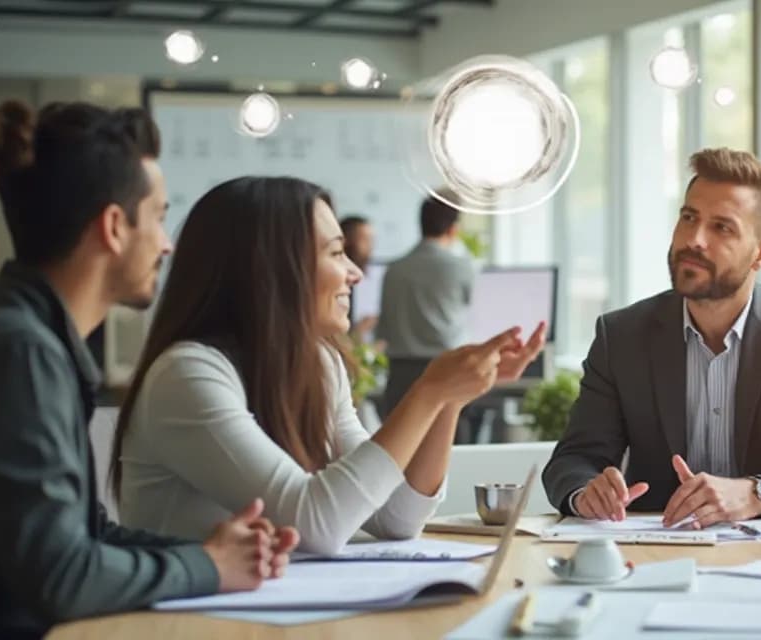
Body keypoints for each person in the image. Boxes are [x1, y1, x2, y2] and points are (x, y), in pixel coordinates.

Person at [0, 101, 297, 640]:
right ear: (114, 227)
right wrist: (209, 566)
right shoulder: (16, 352)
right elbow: (63, 578)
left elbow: (88, 535)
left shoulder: (26, 337)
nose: (167, 243)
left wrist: (215, 553)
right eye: (159, 217)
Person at [111, 177, 543, 554]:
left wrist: (449, 400)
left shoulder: (320, 364)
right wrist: (428, 391)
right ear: (273, 269)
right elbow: (315, 523)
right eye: (337, 253)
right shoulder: (187, 375)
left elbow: (397, 516)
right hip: (186, 613)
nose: (355, 273)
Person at [542, 147, 761, 525]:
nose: (694, 239)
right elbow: (574, 460)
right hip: (658, 545)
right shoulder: (622, 336)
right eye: (688, 217)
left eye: (722, 227)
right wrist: (586, 492)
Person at [375, 194, 476, 423]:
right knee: (449, 442)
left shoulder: (394, 270)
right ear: (453, 229)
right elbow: (477, 314)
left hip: (400, 375)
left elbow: (384, 329)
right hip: (447, 370)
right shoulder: (461, 267)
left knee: (399, 443)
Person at [340, 214, 378, 340]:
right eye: (365, 240)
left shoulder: (375, 277)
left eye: (372, 240)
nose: (371, 246)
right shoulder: (336, 282)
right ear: (346, 242)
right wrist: (357, 331)